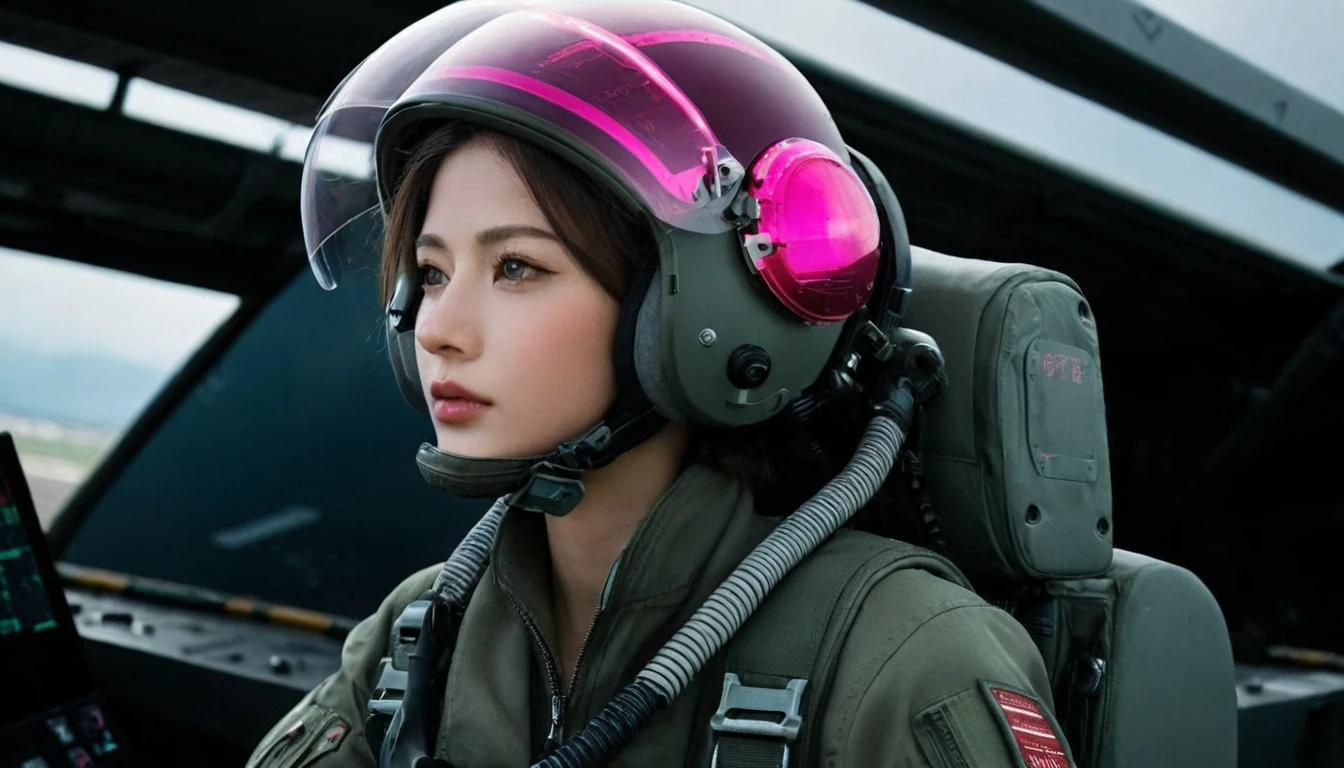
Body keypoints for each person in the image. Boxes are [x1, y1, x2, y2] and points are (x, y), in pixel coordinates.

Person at [247, 1, 1076, 766]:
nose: (436, 328)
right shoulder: (423, 637)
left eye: (517, 267)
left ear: (695, 311)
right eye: (429, 273)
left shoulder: (901, 657)